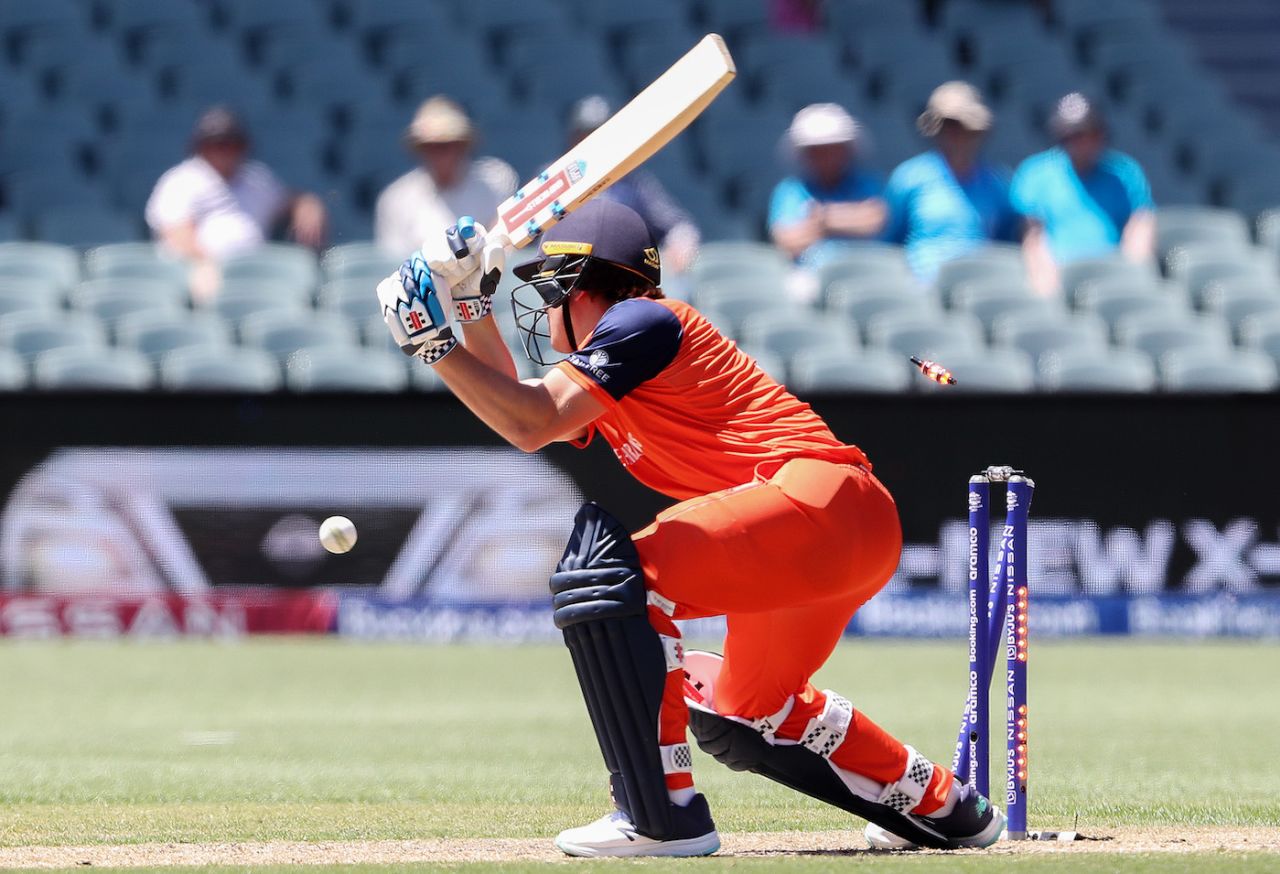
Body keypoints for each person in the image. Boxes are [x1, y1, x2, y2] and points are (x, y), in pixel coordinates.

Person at [374, 200, 1004, 857]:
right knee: (751, 713)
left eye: (553, 284)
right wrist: (470, 302)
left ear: (583, 285)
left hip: (815, 502)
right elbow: (521, 412)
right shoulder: (621, 354)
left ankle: (660, 817)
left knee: (611, 579)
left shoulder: (639, 321)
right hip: (845, 529)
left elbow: (530, 420)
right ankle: (947, 806)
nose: (542, 302)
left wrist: (432, 342)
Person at [145, 106, 328, 301]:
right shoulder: (181, 180)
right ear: (200, 147)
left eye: (232, 143)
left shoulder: (256, 178)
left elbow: (287, 201)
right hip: (199, 271)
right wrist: (207, 263)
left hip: (254, 271)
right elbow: (178, 235)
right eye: (216, 144)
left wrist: (307, 204)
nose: (225, 151)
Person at [1011, 93, 1156, 296]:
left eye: (1088, 133)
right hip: (1059, 275)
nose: (1081, 143)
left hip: (1112, 274)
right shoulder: (1036, 173)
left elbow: (1140, 223)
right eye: (1072, 136)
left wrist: (1134, 273)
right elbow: (1032, 235)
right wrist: (1045, 281)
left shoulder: (1124, 172)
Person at [882, 82, 1020, 282]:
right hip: (925, 287)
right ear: (936, 129)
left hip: (979, 284)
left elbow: (1007, 238)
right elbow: (891, 238)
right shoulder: (909, 178)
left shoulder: (997, 181)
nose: (958, 135)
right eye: (950, 125)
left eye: (965, 126)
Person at [566, 96, 701, 277]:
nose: (594, 142)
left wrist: (681, 242)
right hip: (565, 275)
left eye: (601, 135)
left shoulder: (634, 182)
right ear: (574, 139)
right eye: (586, 135)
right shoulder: (554, 181)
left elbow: (679, 226)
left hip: (620, 277)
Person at [375, 96, 518, 257]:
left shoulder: (494, 186)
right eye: (430, 147)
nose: (438, 156)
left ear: (462, 146)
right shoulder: (396, 199)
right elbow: (393, 265)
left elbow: (505, 250)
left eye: (445, 146)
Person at [769, 103, 886, 268]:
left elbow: (875, 221)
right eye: (817, 150)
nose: (826, 156)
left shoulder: (867, 183)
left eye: (833, 148)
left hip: (863, 271)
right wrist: (851, 218)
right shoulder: (789, 190)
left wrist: (823, 219)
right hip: (808, 278)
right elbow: (788, 242)